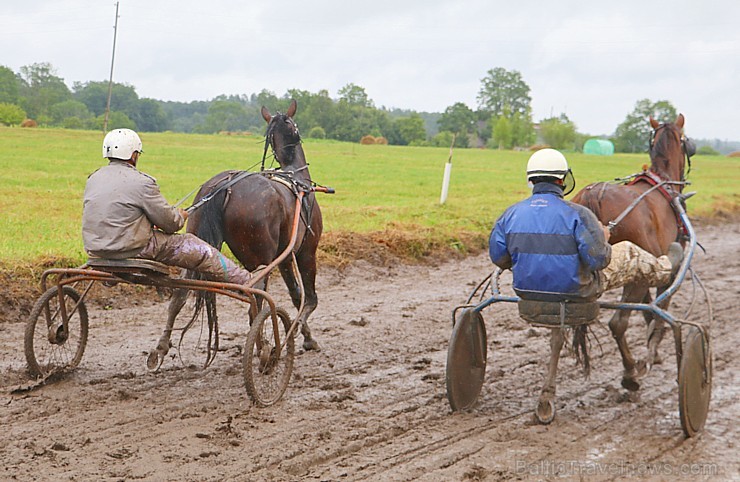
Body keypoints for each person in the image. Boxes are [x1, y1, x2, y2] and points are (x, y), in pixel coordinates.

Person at [489, 148, 683, 302]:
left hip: (525, 292)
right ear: (562, 179)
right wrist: (604, 239)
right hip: (577, 292)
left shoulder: (509, 215)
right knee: (628, 251)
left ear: (530, 180)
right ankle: (665, 267)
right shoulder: (579, 215)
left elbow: (499, 258)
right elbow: (599, 260)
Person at [82, 128, 254, 284]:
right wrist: (181, 216)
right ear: (133, 155)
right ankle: (246, 280)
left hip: (96, 249)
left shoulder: (94, 178)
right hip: (133, 249)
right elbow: (171, 224)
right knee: (195, 246)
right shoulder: (142, 183)